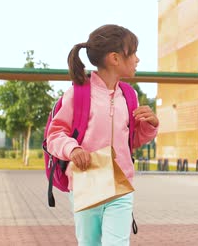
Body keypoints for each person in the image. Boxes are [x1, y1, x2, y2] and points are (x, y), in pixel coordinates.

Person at [47, 24, 159, 246]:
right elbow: (55, 134)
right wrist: (73, 149)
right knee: (89, 243)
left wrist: (150, 126)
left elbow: (131, 141)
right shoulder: (77, 94)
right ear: (115, 58)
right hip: (86, 182)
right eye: (133, 53)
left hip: (120, 183)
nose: (137, 59)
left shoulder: (129, 95)